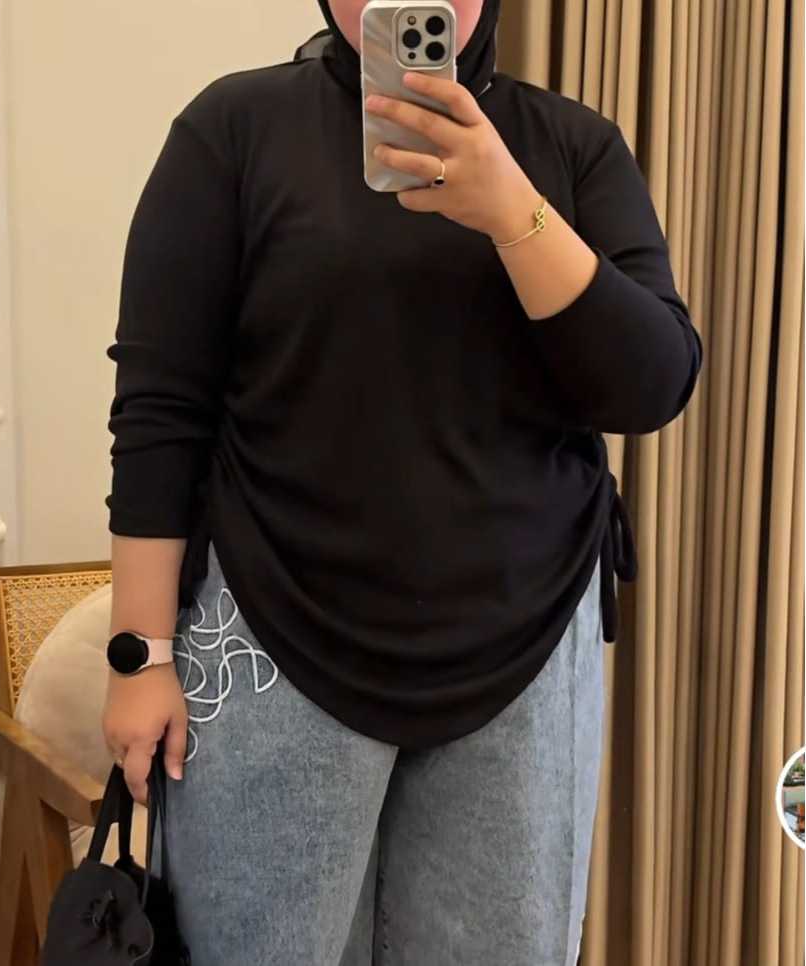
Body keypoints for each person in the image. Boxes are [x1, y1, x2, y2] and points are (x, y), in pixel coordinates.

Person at [101, 1, 703, 962]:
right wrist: (140, 659)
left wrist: (513, 211)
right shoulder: (233, 130)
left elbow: (652, 384)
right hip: (271, 642)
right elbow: (161, 409)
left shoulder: (573, 145)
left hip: (525, 649)